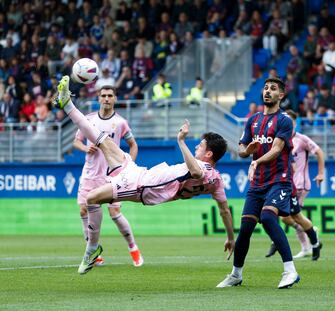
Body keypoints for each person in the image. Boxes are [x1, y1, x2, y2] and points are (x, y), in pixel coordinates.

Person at [54, 75, 234, 275]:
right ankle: (67, 104)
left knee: (92, 198)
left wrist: (181, 141)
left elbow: (196, 172)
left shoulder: (204, 169)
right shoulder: (217, 181)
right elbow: (224, 211)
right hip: (140, 174)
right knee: (101, 139)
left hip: (144, 187)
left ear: (209, 154)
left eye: (200, 146)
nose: (197, 147)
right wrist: (230, 237)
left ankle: (91, 250)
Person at [216, 78, 300, 289]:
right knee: (245, 228)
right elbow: (242, 149)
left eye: (273, 89)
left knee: (268, 217)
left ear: (281, 95)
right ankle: (236, 274)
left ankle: (290, 271)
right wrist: (248, 151)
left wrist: (257, 161)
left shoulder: (284, 120)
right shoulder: (253, 120)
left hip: (279, 180)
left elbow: (277, 149)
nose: (267, 92)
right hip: (258, 183)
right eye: (265, 88)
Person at [73, 85, 141, 267]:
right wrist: (85, 148)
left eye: (110, 95)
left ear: (115, 98)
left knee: (114, 211)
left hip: (112, 175)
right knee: (83, 209)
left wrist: (128, 167)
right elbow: (76, 141)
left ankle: (133, 248)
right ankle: (94, 253)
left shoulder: (120, 123)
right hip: (90, 173)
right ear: (98, 98)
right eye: (103, 96)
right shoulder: (88, 120)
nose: (106, 99)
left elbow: (133, 145)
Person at [265, 110, 323, 260]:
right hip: (285, 184)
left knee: (284, 214)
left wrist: (321, 173)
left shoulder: (301, 140)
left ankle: (307, 241)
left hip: (298, 185)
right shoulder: (280, 140)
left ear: (295, 123)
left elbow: (319, 152)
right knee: (287, 217)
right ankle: (310, 238)